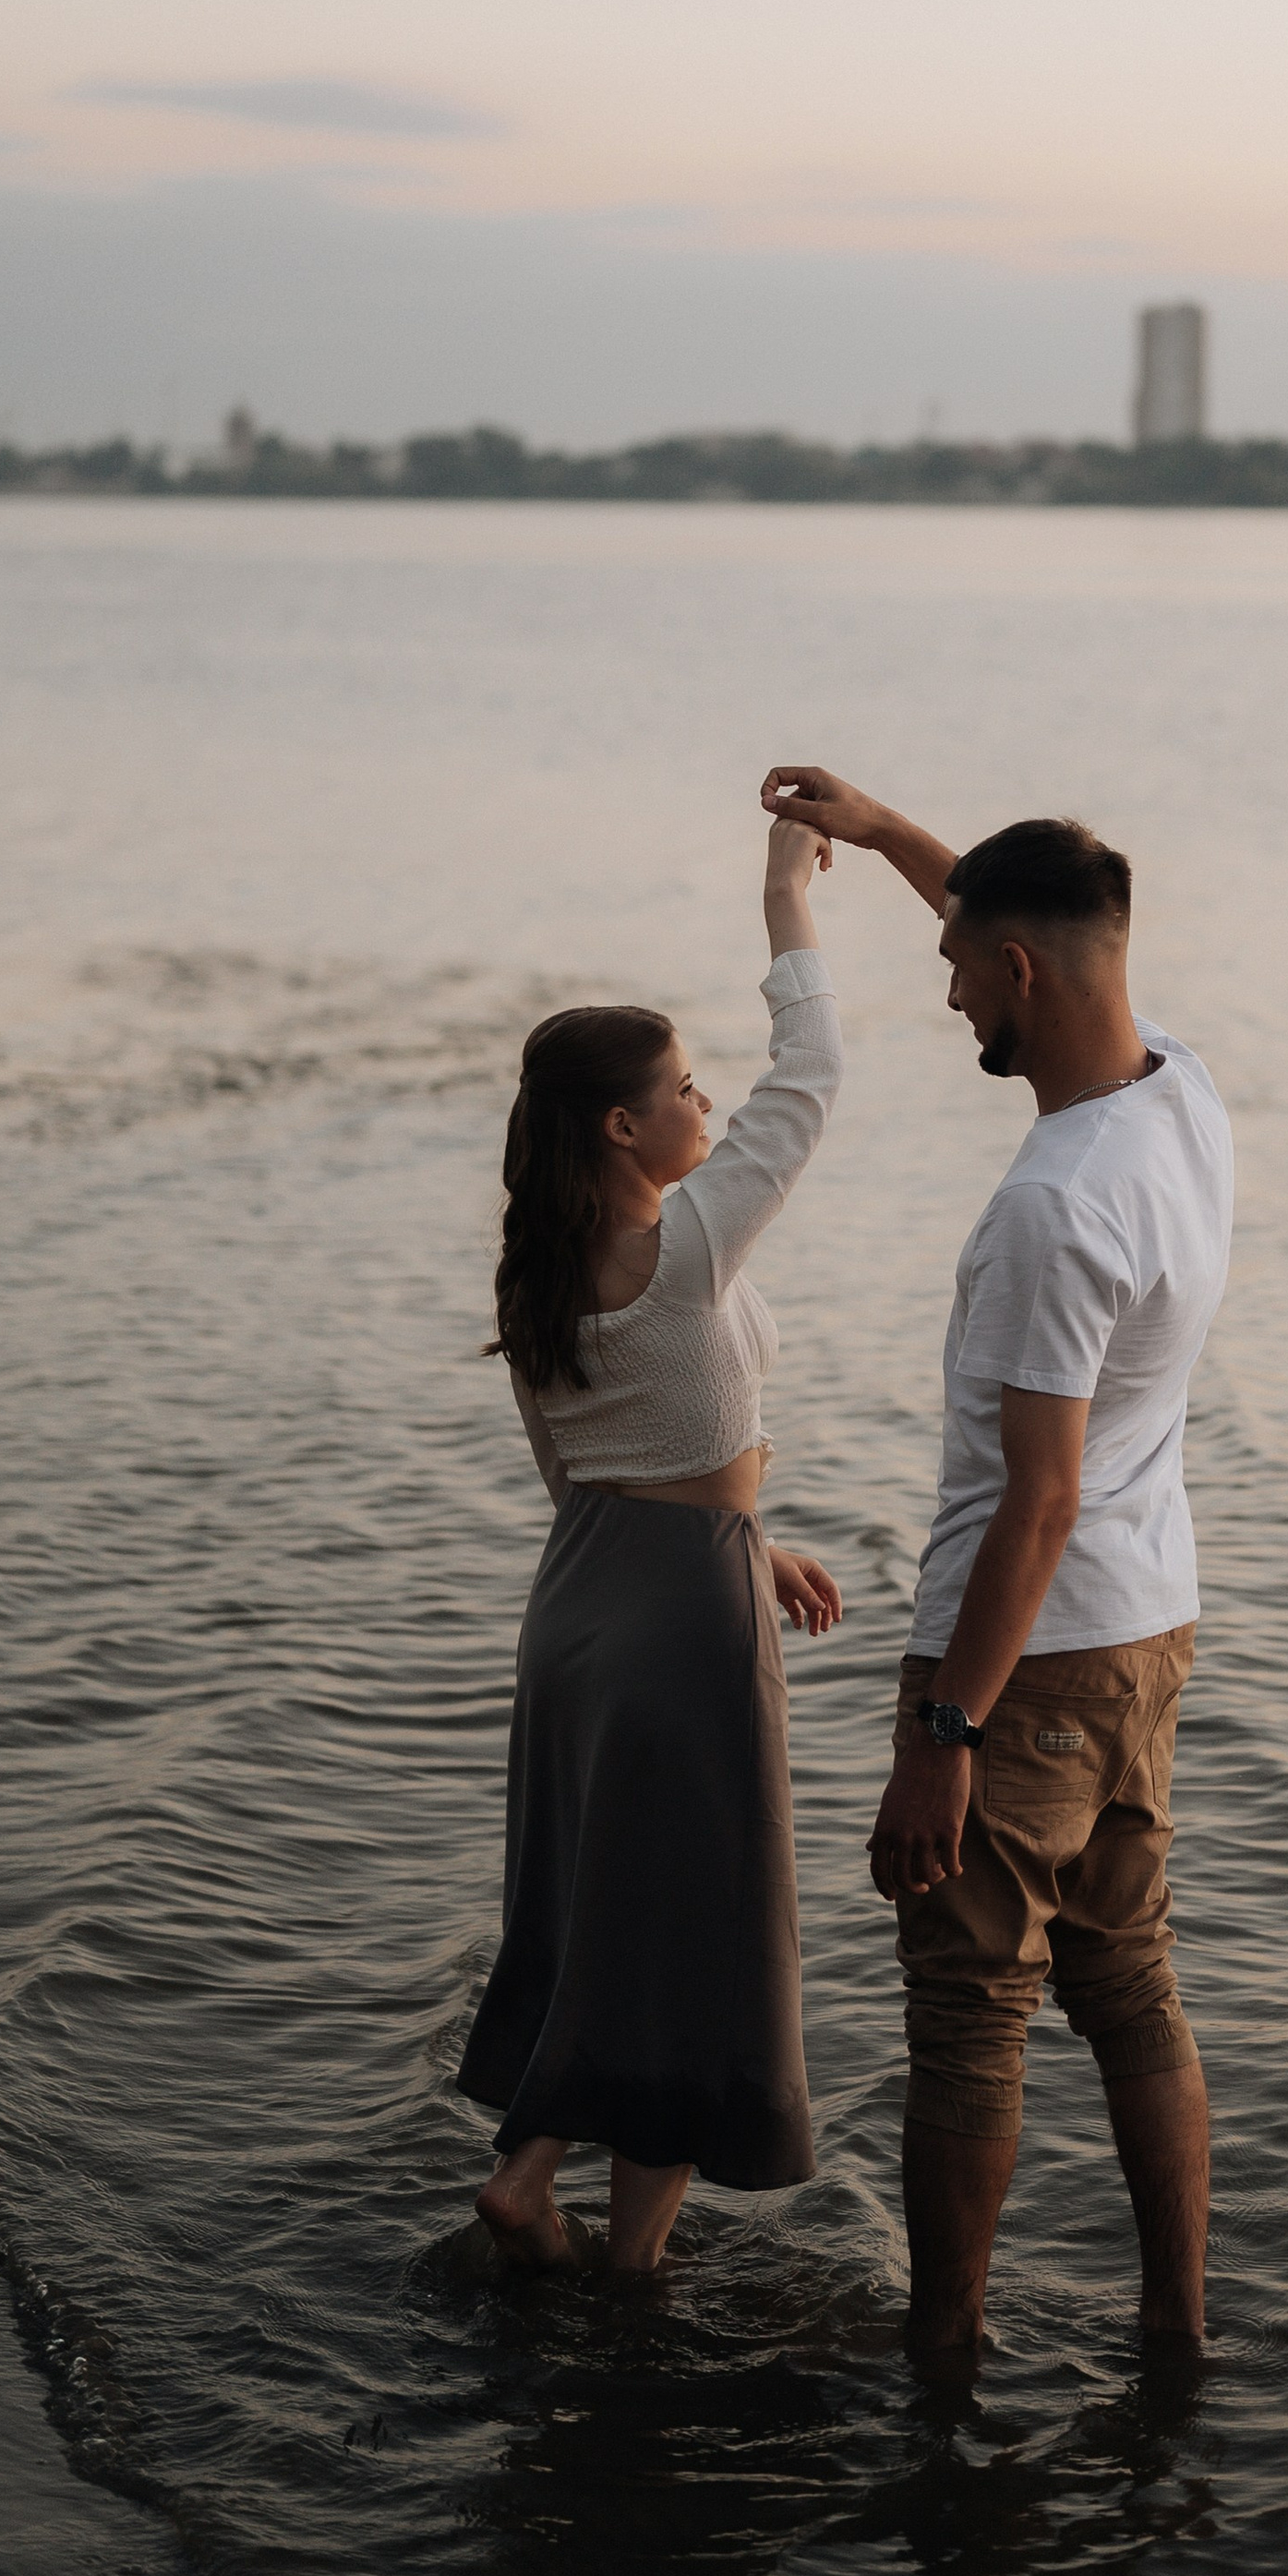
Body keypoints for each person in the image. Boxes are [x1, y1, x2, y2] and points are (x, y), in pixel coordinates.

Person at [759, 764, 1233, 2357]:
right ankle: (1179, 2328)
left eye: (960, 965)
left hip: (1019, 1659)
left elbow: (1036, 1501)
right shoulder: (1180, 1094)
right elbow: (1028, 920)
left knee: (970, 2022)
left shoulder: (1054, 1204)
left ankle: (942, 2364)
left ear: (1019, 971)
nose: (950, 987)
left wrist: (945, 1736)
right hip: (1147, 1630)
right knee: (1133, 1990)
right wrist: (891, 833)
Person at [458, 813, 846, 2272]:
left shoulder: (539, 1274)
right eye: (688, 1087)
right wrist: (783, 902)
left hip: (582, 1606)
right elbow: (809, 1083)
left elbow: (588, 1473)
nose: (712, 1102)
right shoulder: (682, 1253)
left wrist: (757, 1539)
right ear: (624, 1128)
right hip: (682, 1617)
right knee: (697, 1934)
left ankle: (562, 2198)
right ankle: (614, 2267)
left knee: (608, 1906)